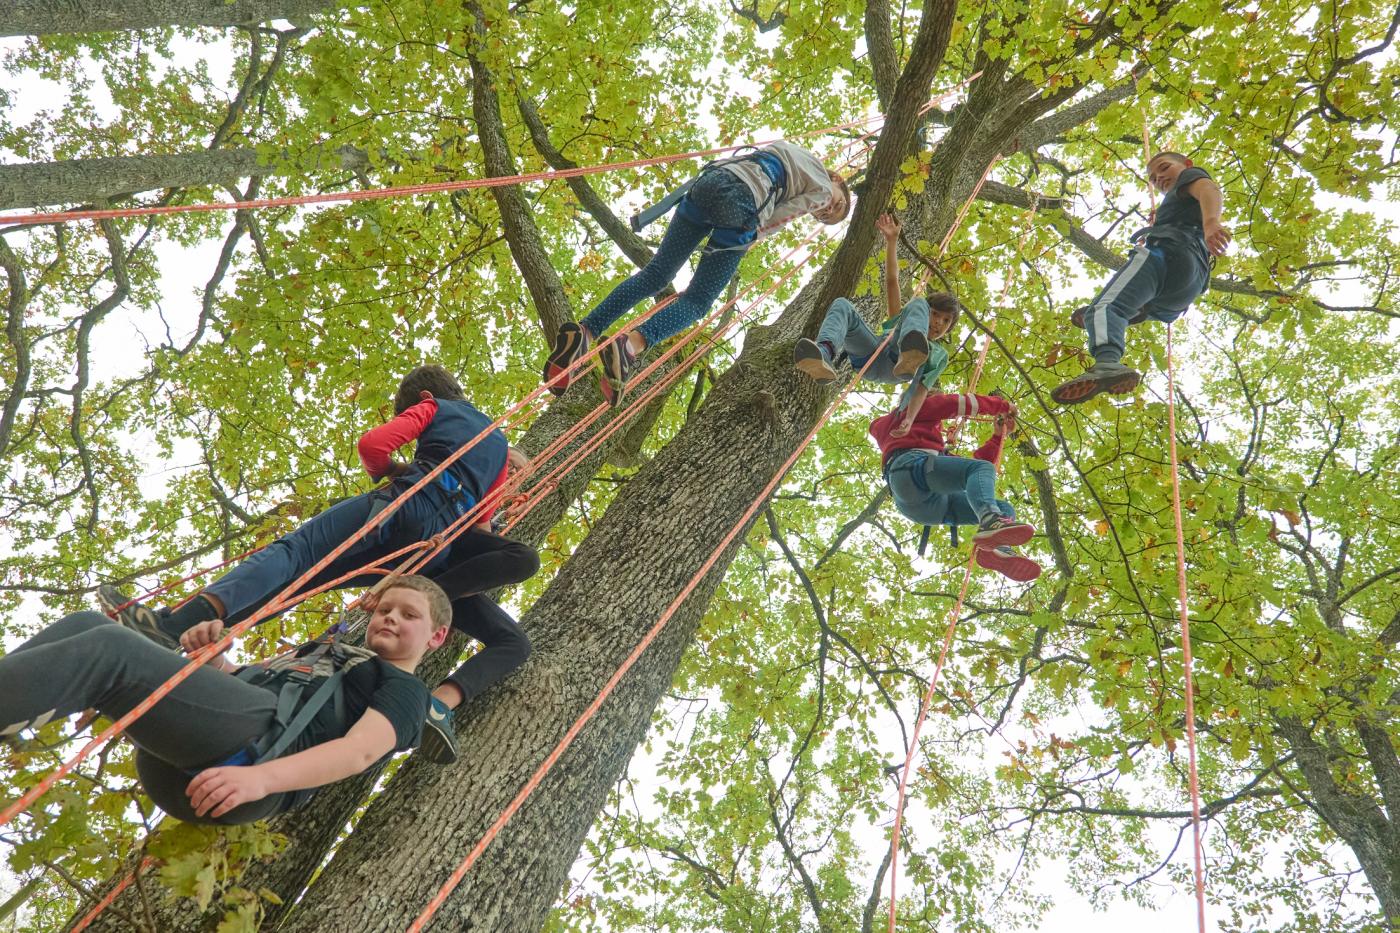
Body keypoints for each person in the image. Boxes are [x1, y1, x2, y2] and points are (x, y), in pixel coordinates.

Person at [104, 365, 508, 649]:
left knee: (296, 554)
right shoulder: (501, 448)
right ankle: (208, 635)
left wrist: (391, 469)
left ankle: (177, 625)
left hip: (402, 504)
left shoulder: (435, 408)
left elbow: (373, 446)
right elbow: (484, 527)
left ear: (423, 397)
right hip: (428, 549)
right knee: (308, 583)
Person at [0, 576, 450, 824]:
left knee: (110, 652)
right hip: (212, 742)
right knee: (88, 627)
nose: (389, 617)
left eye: (408, 615)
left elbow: (359, 751)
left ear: (436, 637)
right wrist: (213, 662)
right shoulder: (324, 654)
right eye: (384, 609)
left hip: (253, 763)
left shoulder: (406, 690)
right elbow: (246, 683)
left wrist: (263, 781)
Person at [543, 141, 852, 405]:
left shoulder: (792, 150)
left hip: (708, 185)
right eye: (836, 206)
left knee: (656, 274)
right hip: (743, 207)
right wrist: (752, 237)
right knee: (699, 300)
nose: (826, 210)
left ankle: (586, 331)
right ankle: (629, 347)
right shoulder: (823, 188)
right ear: (838, 182)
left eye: (826, 217)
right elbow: (784, 215)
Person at [1051, 151, 1230, 405]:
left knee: (1103, 308)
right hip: (1186, 287)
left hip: (1170, 255)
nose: (1159, 178)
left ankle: (1107, 361)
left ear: (1187, 165)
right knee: (1124, 309)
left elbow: (1208, 188)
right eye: (1154, 178)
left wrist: (1212, 221)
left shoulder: (1188, 178)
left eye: (1164, 168)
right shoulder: (1177, 203)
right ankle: (1137, 309)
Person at [869, 392, 1041, 581]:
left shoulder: (934, 458)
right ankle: (990, 519)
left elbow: (975, 474)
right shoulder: (912, 410)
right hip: (911, 468)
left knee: (1004, 508)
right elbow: (953, 403)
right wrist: (1000, 406)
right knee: (980, 473)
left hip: (921, 503)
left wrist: (996, 437)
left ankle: (998, 548)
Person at [794, 213, 957, 409]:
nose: (939, 322)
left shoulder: (939, 354)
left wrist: (906, 414)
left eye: (946, 321)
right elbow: (891, 282)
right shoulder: (904, 320)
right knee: (842, 305)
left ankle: (909, 356)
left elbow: (921, 387)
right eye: (936, 314)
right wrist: (891, 242)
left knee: (918, 307)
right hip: (870, 355)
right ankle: (824, 353)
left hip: (898, 368)